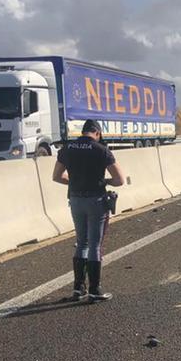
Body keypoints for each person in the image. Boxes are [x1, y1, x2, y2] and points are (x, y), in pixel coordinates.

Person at [52, 120, 125, 301]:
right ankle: (94, 290)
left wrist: (76, 181)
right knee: (95, 245)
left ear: (83, 132)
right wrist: (104, 181)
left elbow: (57, 176)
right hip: (96, 200)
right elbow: (119, 180)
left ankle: (78, 289)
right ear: (97, 133)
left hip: (75, 199)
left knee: (81, 243)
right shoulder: (102, 150)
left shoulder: (67, 149)